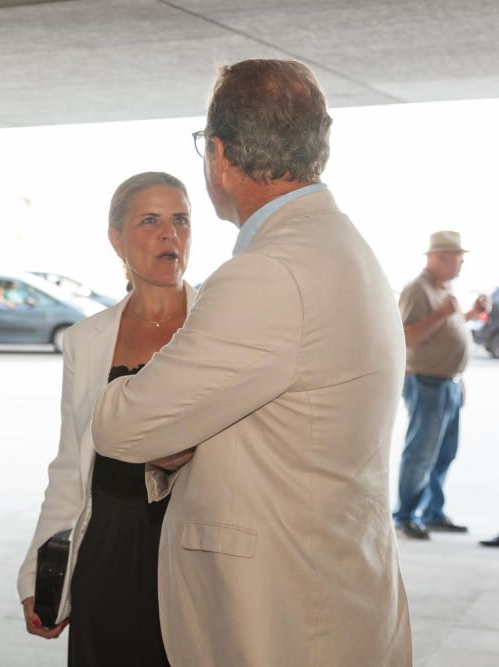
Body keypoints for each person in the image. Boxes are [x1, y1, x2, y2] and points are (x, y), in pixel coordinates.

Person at [91, 59, 411, 665]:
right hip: (332, 586)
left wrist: (174, 433)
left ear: (218, 155)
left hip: (281, 614)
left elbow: (120, 425)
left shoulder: (267, 272)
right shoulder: (346, 247)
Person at [18, 172, 197, 666]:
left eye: (180, 219)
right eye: (150, 220)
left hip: (198, 544)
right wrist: (41, 568)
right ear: (116, 238)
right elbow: (70, 465)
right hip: (110, 544)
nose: (170, 234)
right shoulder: (87, 339)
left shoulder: (220, 327)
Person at [393, 231, 491, 539]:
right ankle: (406, 516)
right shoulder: (417, 289)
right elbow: (406, 338)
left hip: (448, 383)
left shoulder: (443, 288)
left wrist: (469, 314)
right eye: (458, 257)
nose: (462, 263)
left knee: (444, 452)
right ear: (441, 258)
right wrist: (440, 315)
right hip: (426, 383)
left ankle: (432, 511)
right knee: (421, 453)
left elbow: (447, 327)